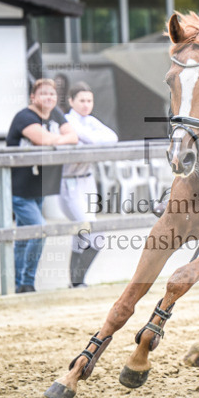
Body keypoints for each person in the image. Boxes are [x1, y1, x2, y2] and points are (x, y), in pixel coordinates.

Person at [6, 78, 78, 293]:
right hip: (20, 189)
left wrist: (55, 139)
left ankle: (19, 285)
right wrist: (57, 138)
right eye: (44, 94)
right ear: (33, 97)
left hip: (40, 187)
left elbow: (73, 136)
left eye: (52, 94)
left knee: (24, 237)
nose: (49, 98)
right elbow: (44, 139)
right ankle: (27, 282)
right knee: (40, 231)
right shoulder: (24, 117)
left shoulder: (54, 113)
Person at [60, 82, 118, 288]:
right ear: (71, 101)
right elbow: (92, 141)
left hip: (88, 180)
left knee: (83, 233)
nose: (86, 105)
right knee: (92, 231)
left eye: (89, 100)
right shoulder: (67, 121)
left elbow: (112, 138)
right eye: (81, 100)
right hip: (70, 182)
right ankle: (76, 280)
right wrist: (92, 140)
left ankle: (76, 281)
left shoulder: (90, 121)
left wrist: (93, 140)